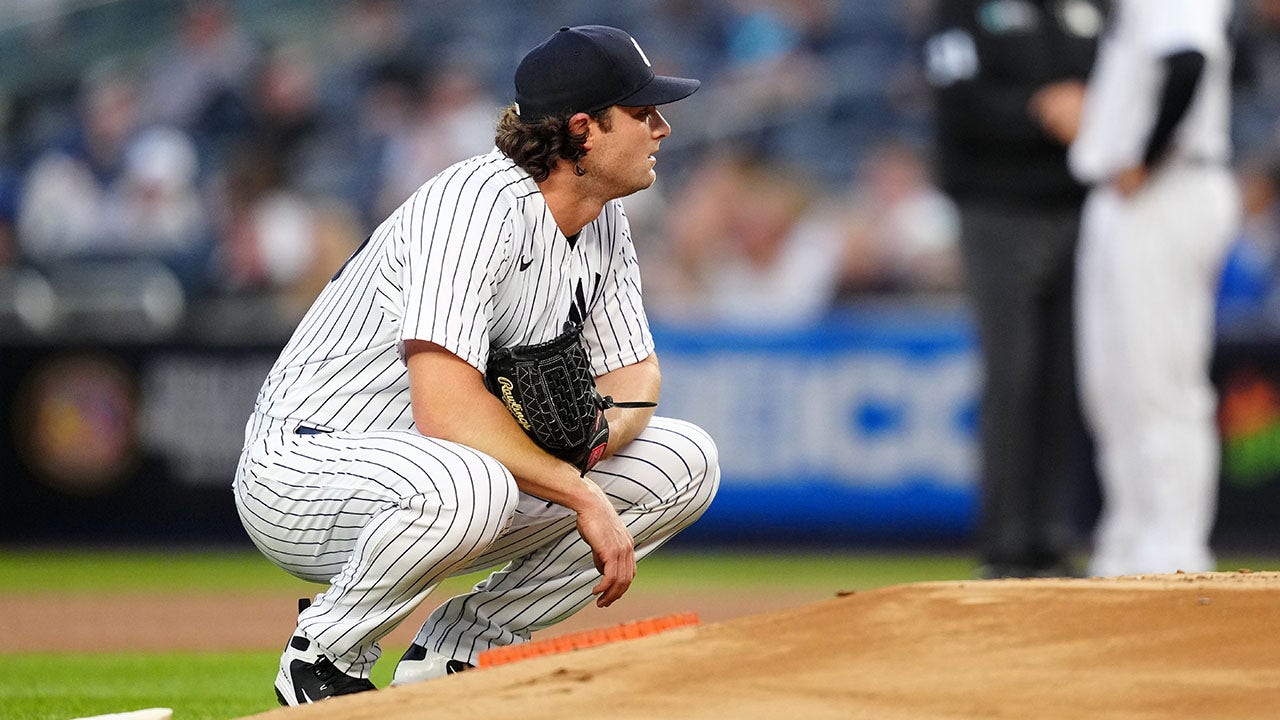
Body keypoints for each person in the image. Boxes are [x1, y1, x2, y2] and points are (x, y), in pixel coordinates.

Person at [232, 25, 720, 706]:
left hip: (435, 471)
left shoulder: (605, 222)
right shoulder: (475, 206)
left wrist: (595, 441)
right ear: (584, 130)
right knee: (475, 483)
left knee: (686, 461)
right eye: (643, 113)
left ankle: (458, 652)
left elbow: (635, 376)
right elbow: (446, 408)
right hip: (306, 468)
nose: (663, 128)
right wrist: (578, 490)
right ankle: (325, 654)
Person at [923, 0, 1105, 578]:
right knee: (1013, 372)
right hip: (996, 208)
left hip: (1079, 208)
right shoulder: (962, 10)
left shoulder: (1085, 8)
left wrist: (1089, 107)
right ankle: (1004, 543)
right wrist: (1040, 111)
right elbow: (955, 95)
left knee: (1063, 376)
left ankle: (1051, 536)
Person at [1069, 0, 1240, 576]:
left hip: (1169, 187)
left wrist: (1144, 154)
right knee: (1110, 384)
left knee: (1158, 380)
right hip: (1125, 195)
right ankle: (1128, 538)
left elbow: (1188, 61)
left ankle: (1174, 550)